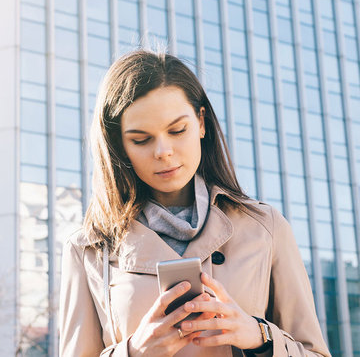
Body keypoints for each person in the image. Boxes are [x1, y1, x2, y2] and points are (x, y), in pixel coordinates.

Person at [59, 50, 331, 357]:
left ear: (201, 122)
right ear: (119, 145)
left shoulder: (265, 227)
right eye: (140, 139)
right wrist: (134, 352)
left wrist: (260, 337)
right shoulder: (89, 249)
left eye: (177, 130)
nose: (163, 151)